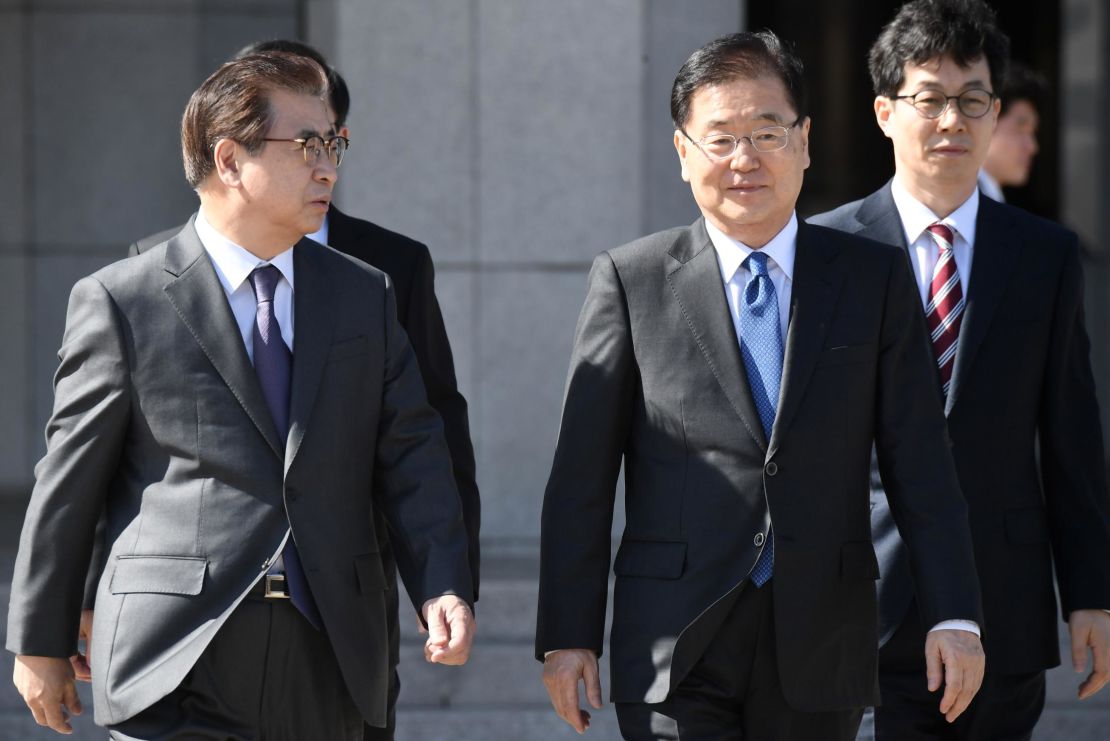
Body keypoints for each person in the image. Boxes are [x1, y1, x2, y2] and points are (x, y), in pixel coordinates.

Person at [7, 51, 474, 739]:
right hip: (174, 651)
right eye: (308, 145)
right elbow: (71, 479)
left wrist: (442, 582)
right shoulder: (122, 299)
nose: (329, 166)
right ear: (229, 160)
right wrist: (39, 635)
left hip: (330, 651)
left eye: (335, 144)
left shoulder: (362, 294)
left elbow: (413, 452)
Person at [536, 30, 985, 741]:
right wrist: (567, 633)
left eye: (767, 132)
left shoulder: (871, 278)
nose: (745, 159)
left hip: (822, 635)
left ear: (804, 142)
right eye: (722, 138)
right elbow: (580, 480)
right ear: (684, 153)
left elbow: (921, 461)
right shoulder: (631, 280)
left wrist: (955, 614)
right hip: (674, 642)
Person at [810, 2, 1110, 739]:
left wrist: (1091, 594)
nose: (953, 120)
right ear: (884, 112)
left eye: (972, 100)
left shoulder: (1044, 255)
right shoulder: (825, 251)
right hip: (866, 601)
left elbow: (1071, 436)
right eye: (930, 99)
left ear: (995, 109)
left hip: (1002, 597)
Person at [979, 62, 1045, 202]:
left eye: (1032, 132)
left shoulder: (988, 196)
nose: (1032, 147)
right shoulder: (965, 201)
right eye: (1020, 129)